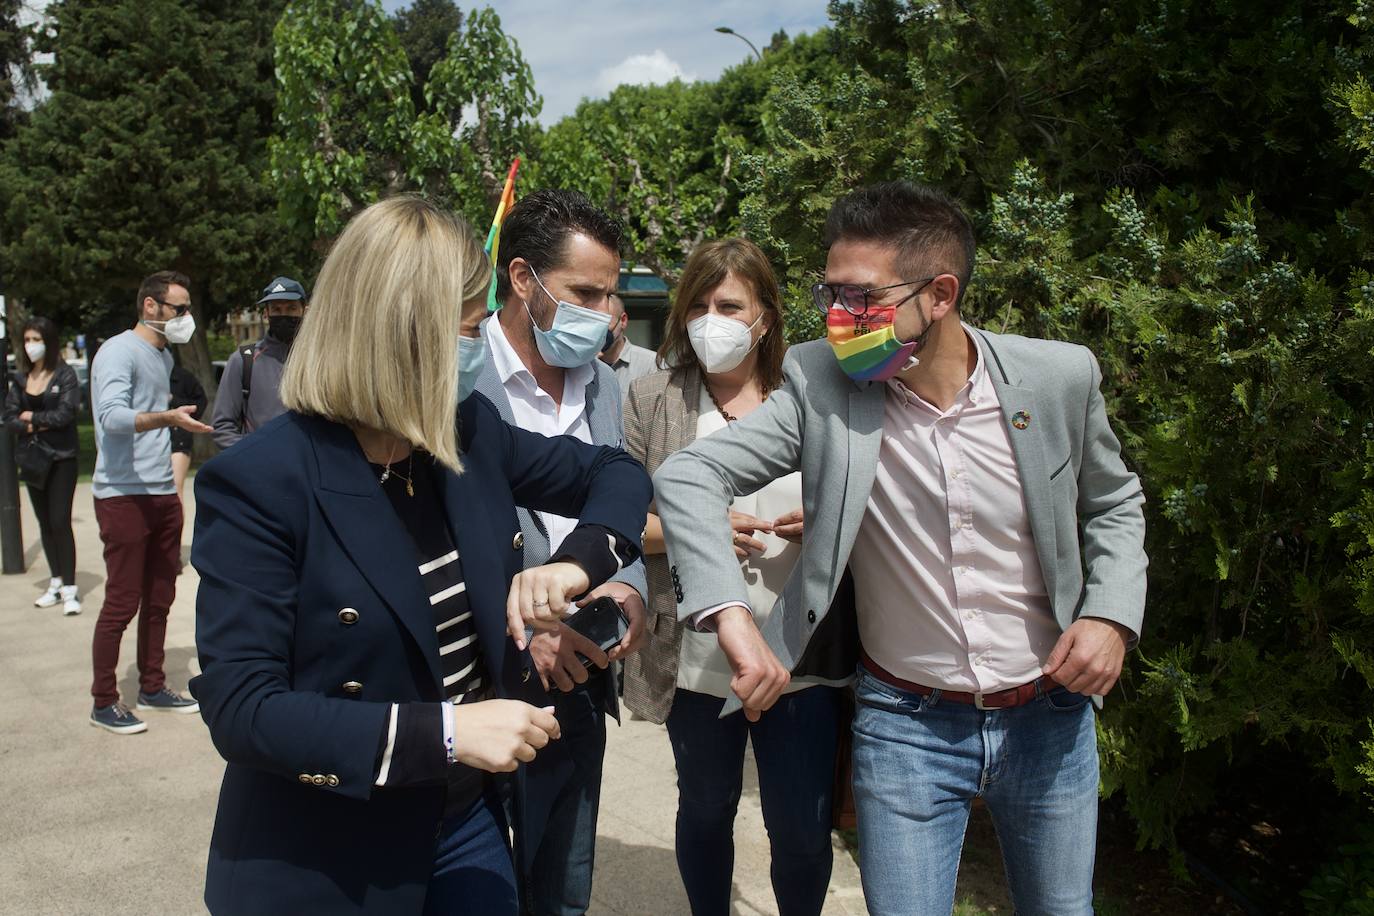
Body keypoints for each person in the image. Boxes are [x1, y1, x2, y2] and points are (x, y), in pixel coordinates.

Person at [654, 181, 1148, 916]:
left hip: (1050, 715)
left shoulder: (1056, 378)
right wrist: (730, 616)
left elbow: (1112, 502)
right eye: (830, 294)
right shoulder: (823, 384)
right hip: (906, 727)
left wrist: (1110, 615)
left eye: (861, 298)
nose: (838, 318)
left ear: (940, 293)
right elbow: (692, 472)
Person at [189, 196, 652, 916]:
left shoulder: (463, 432)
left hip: (465, 823)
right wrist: (445, 732)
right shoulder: (262, 481)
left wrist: (578, 562)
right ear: (398, 335)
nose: (479, 351)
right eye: (469, 332)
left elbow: (613, 474)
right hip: (330, 851)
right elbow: (243, 708)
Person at [620, 238, 837, 916]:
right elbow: (627, 523)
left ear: (766, 317)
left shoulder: (815, 401)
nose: (711, 318)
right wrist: (697, 528)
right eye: (699, 305)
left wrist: (824, 522)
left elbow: (866, 511)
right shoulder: (653, 399)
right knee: (707, 807)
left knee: (801, 828)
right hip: (698, 661)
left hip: (801, 657)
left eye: (730, 305)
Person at [474, 188, 648, 916]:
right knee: (480, 886)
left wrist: (627, 589)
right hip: (481, 687)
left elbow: (623, 502)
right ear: (522, 279)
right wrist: (527, 631)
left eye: (611, 293)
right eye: (585, 292)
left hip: (581, 674)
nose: (606, 314)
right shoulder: (457, 378)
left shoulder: (604, 383)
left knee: (563, 885)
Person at [88, 270, 213, 734]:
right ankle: (103, 701)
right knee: (122, 602)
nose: (187, 318)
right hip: (122, 494)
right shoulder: (119, 351)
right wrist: (166, 417)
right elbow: (111, 418)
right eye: (179, 309)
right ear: (150, 307)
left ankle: (153, 686)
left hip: (161, 492)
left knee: (160, 597)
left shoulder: (162, 356)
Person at [3, 316, 82, 614]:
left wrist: (31, 418)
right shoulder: (21, 380)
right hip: (33, 460)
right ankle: (56, 582)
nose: (31, 346)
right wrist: (34, 425)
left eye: (37, 340)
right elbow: (9, 419)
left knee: (61, 521)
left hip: (61, 459)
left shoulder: (65, 376)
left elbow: (65, 415)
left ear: (48, 342)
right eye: (27, 340)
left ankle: (71, 589)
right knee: (45, 523)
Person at [210, 275, 307, 449]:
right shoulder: (243, 360)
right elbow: (222, 427)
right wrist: (255, 455)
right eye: (277, 309)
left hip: (311, 468)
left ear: (304, 311)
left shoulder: (321, 360)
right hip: (262, 470)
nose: (283, 314)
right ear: (266, 314)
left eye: (291, 308)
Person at [598, 292, 658, 398]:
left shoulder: (651, 364)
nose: (599, 331)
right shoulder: (581, 364)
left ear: (623, 321)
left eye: (605, 322)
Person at [168, 361, 207, 501]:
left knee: (174, 490)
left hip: (178, 440)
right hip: (149, 440)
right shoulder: (144, 374)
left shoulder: (182, 376)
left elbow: (200, 402)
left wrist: (173, 400)